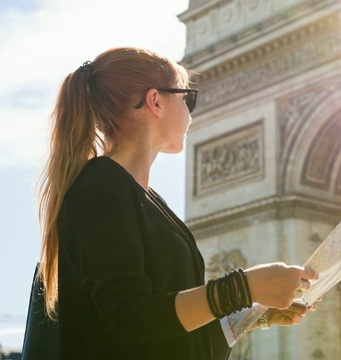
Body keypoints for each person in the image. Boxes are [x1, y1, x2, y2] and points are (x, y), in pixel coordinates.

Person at [36, 47, 319, 359]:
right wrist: (244, 287)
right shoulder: (101, 187)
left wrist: (255, 314)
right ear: (155, 101)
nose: (190, 111)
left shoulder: (142, 197)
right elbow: (128, 319)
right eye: (187, 98)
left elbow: (165, 331)